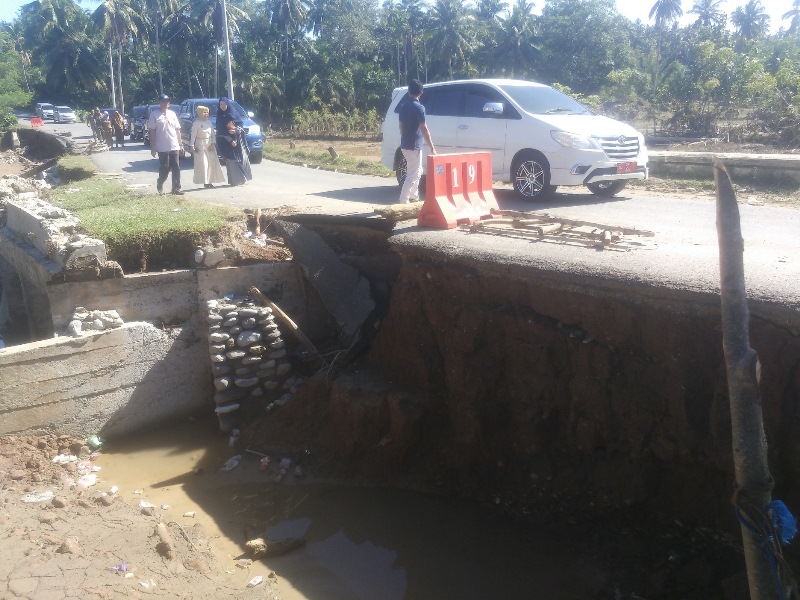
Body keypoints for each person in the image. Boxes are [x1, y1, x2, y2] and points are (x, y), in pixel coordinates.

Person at [398, 79, 436, 203]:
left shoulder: (403, 106)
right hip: (414, 146)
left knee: (418, 171)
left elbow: (401, 126)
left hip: (405, 145)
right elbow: (424, 128)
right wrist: (432, 147)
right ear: (421, 93)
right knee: (412, 174)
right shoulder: (420, 108)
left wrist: (404, 139)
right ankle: (403, 200)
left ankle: (414, 196)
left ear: (409, 91)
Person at [147, 94, 184, 195]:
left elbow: (177, 130)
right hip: (162, 146)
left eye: (167, 101)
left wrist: (180, 145)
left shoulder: (172, 114)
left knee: (176, 166)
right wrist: (153, 146)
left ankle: (176, 188)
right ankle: (160, 182)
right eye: (164, 101)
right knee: (165, 167)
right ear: (159, 102)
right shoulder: (154, 114)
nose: (166, 103)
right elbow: (152, 131)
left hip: (174, 144)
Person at [215, 97, 252, 186]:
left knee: (241, 157)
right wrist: (230, 140)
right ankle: (235, 181)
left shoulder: (234, 113)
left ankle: (244, 177)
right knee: (231, 160)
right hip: (226, 142)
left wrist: (236, 131)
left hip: (238, 140)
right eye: (221, 104)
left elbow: (240, 125)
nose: (223, 106)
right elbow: (220, 130)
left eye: (224, 104)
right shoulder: (219, 116)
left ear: (228, 104)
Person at [189, 105, 225, 188]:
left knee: (211, 163)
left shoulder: (209, 122)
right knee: (204, 163)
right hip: (200, 144)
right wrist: (192, 146)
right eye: (204, 112)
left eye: (207, 112)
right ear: (200, 113)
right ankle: (205, 182)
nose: (206, 114)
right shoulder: (196, 123)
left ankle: (210, 181)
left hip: (209, 144)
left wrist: (213, 143)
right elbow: (193, 135)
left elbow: (212, 134)